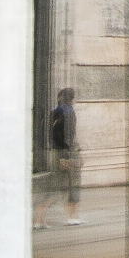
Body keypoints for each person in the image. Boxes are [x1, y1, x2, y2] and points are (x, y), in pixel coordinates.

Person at [33, 87, 83, 228]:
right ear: (72, 99)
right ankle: (71, 217)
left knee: (55, 185)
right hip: (65, 153)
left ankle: (40, 218)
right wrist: (68, 155)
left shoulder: (55, 111)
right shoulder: (69, 112)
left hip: (56, 151)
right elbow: (68, 135)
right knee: (70, 184)